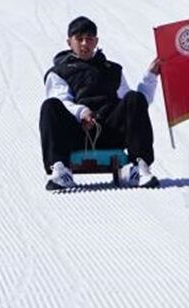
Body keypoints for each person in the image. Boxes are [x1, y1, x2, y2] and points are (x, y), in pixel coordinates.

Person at [40, 16, 162, 190]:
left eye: (89, 39)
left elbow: (135, 107)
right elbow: (62, 100)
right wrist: (81, 112)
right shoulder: (59, 72)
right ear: (69, 42)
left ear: (96, 41)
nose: (84, 43)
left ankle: (139, 167)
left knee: (134, 98)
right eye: (79, 39)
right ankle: (60, 170)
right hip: (78, 134)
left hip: (110, 132)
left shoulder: (112, 70)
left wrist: (151, 77)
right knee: (50, 106)